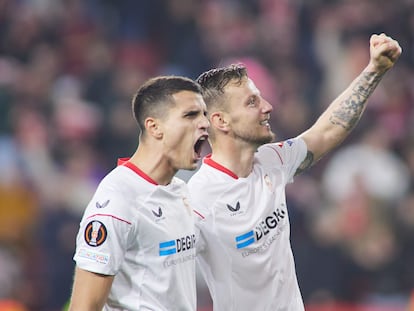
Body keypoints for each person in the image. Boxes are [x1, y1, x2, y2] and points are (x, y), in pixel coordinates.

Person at [188, 33, 402, 310]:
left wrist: (374, 71)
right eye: (252, 102)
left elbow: (325, 132)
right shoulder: (199, 198)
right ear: (221, 121)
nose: (267, 107)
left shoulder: (272, 160)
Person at [68, 75, 209, 311]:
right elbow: (84, 306)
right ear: (155, 127)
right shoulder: (118, 200)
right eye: (190, 115)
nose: (204, 123)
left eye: (204, 114)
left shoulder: (180, 190)